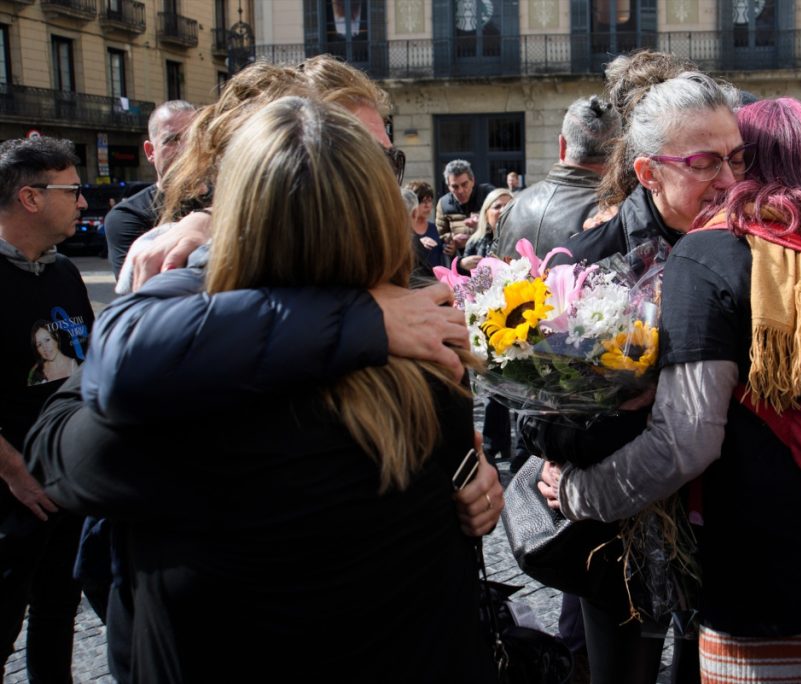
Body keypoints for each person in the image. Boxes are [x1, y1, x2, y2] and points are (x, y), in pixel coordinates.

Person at [27, 95, 499, 682]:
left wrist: (194, 271)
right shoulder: (432, 361)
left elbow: (57, 442)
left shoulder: (177, 410)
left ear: (235, 217)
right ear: (379, 213)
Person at [539, 96, 801, 682]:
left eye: (738, 159)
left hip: (775, 587)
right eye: (709, 161)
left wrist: (580, 495)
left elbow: (685, 442)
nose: (729, 178)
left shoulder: (718, 251)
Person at [0, 136, 94, 682]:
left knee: (58, 616)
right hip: (13, 496)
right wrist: (13, 471)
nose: (83, 203)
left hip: (67, 486)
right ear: (31, 198)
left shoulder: (64, 272)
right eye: (73, 190)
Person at [493, 95, 621, 259]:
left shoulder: (514, 205)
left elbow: (492, 269)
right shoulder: (618, 214)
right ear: (617, 150)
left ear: (562, 145)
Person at [104, 100, 196, 278]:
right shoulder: (127, 216)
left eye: (193, 137)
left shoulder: (227, 200)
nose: (185, 149)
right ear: (150, 151)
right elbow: (144, 293)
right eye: (172, 140)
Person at [435, 159, 496, 259]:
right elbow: (441, 234)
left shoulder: (488, 194)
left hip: (490, 257)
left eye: (464, 184)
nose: (460, 191)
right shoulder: (443, 203)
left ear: (472, 181)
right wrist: (452, 241)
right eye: (454, 187)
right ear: (448, 187)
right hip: (462, 262)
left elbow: (502, 226)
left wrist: (481, 222)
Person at [461, 187, 512, 272]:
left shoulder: (525, 239)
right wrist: (461, 265)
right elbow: (464, 279)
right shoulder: (474, 242)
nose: (503, 210)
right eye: (497, 206)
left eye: (508, 206)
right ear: (486, 215)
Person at [405, 180, 447, 278]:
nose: (427, 206)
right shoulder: (404, 232)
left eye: (429, 201)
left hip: (437, 282)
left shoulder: (436, 228)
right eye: (423, 202)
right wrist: (417, 242)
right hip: (413, 283)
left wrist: (450, 248)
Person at [27, 321, 80, 386]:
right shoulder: (35, 372)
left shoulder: (73, 366)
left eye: (47, 340)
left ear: (56, 337)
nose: (45, 348)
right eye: (39, 345)